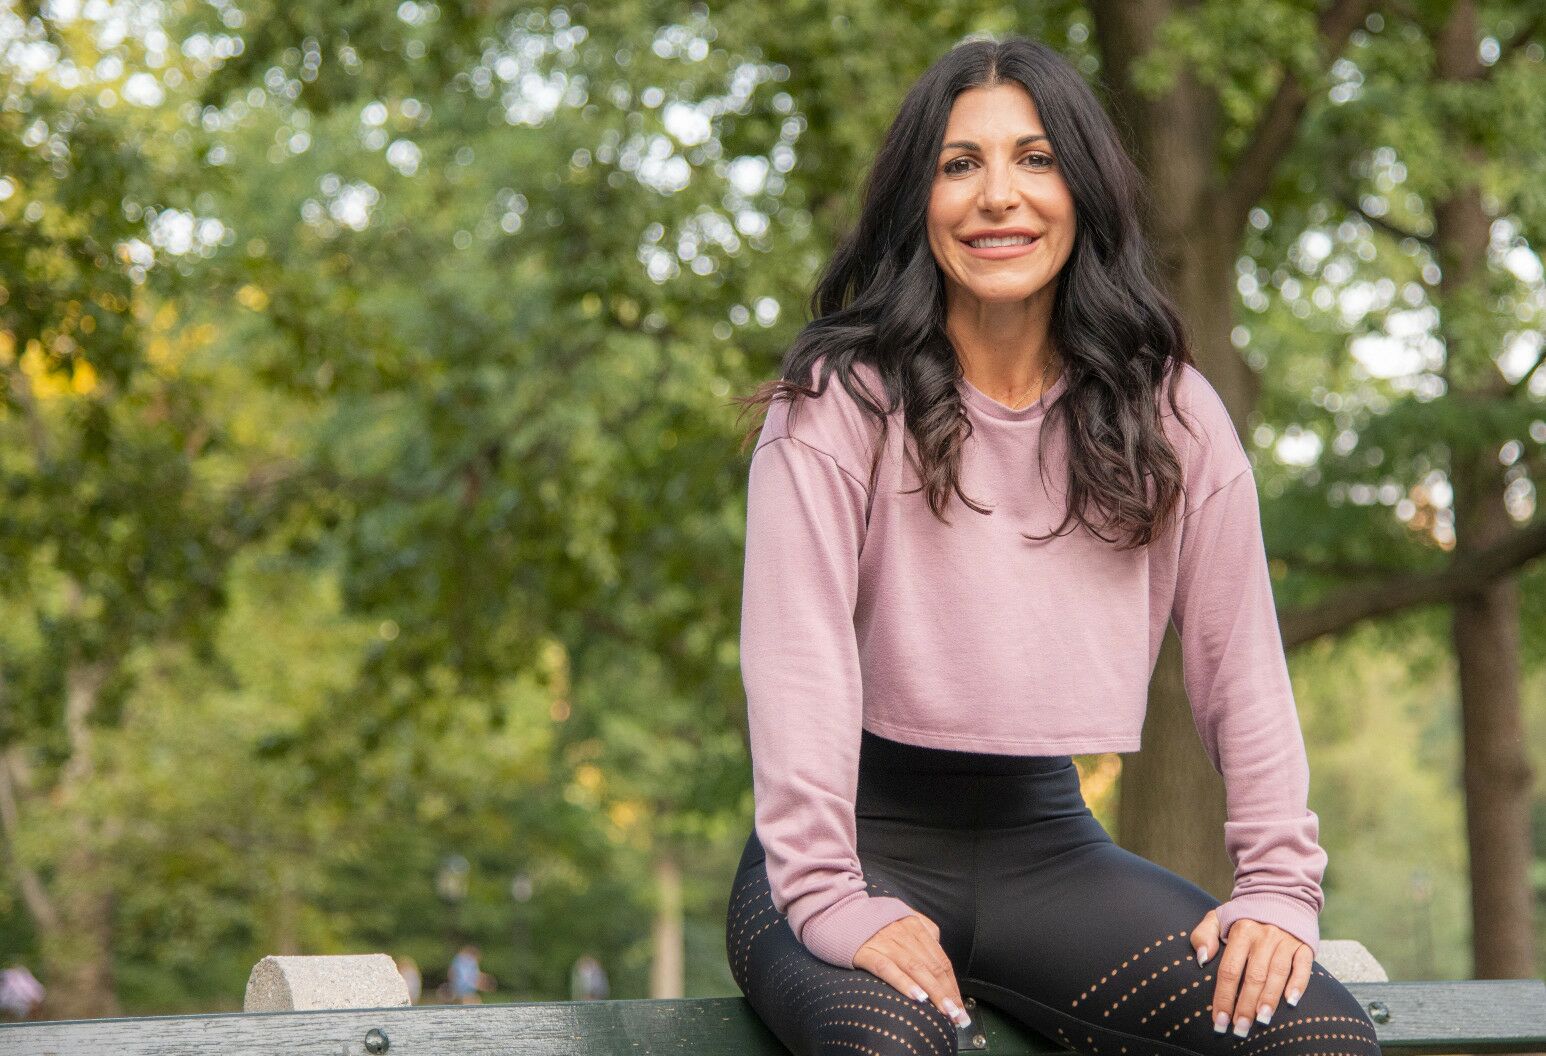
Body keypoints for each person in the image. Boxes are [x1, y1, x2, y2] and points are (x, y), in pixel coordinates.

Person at [724, 34, 1381, 1056]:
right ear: (918, 202)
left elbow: (1238, 665)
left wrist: (1277, 890)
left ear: (1082, 191)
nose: (998, 196)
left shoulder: (1173, 415)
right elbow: (797, 660)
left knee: (1319, 1043)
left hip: (1053, 855)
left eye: (1035, 160)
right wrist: (829, 897)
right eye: (958, 164)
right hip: (845, 846)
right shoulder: (838, 405)